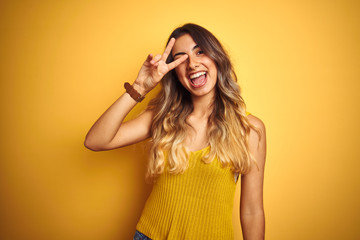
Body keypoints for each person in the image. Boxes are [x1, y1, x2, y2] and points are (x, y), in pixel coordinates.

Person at [84, 23, 266, 240]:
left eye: (200, 51)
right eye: (181, 58)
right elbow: (96, 141)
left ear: (217, 58)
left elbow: (252, 211)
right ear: (174, 71)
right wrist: (140, 87)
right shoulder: (163, 117)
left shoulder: (249, 129)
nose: (192, 63)